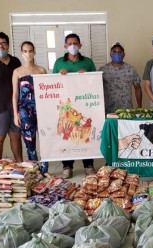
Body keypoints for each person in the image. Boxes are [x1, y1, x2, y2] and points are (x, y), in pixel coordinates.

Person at [53, 33, 97, 179]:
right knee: (67, 133)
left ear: (80, 45)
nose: (73, 46)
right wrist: (59, 74)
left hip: (84, 103)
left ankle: (88, 165)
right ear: (65, 46)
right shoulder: (59, 62)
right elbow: (53, 83)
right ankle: (67, 166)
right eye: (70, 43)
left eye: (75, 43)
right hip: (66, 105)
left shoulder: (88, 62)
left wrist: (87, 76)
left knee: (85, 133)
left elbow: (95, 83)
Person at [12, 41, 51, 176]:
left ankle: (45, 169)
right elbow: (15, 94)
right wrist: (16, 115)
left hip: (42, 108)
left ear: (34, 52)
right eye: (25, 51)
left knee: (45, 138)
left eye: (30, 51)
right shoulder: (17, 71)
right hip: (24, 110)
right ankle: (34, 170)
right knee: (29, 140)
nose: (28, 54)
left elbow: (48, 92)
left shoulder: (41, 70)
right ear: (21, 52)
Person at [0, 31, 23, 162]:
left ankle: (21, 166)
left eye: (4, 43)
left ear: (8, 45)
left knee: (16, 136)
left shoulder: (16, 61)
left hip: (15, 108)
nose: (1, 47)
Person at [99, 42, 142, 114]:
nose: (117, 54)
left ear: (124, 54)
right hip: (108, 111)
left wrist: (139, 106)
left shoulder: (131, 69)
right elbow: (97, 88)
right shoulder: (103, 70)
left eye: (119, 52)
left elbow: (137, 88)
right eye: (114, 52)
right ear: (110, 53)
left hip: (127, 111)